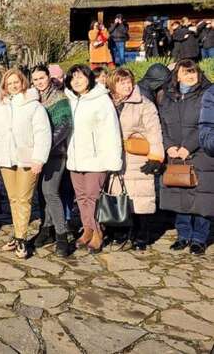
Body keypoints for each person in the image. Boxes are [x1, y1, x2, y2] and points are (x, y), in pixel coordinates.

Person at [0, 69, 51, 258]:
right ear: (4, 86)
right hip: (5, 158)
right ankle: (17, 234)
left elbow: (42, 133)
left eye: (16, 82)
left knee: (24, 199)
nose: (13, 86)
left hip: (27, 159)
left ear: (23, 83)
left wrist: (39, 158)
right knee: (13, 199)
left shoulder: (34, 106)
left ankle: (22, 239)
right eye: (9, 83)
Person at [64, 65, 122, 254]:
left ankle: (98, 231)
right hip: (75, 158)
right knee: (81, 197)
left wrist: (114, 160)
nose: (77, 81)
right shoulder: (70, 101)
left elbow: (112, 131)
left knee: (93, 196)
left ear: (89, 78)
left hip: (96, 158)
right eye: (73, 78)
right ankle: (87, 228)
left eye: (80, 77)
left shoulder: (101, 100)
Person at [107, 68, 164, 250]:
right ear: (113, 84)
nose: (126, 85)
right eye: (121, 82)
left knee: (140, 198)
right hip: (115, 156)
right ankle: (121, 231)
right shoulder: (107, 102)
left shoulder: (144, 104)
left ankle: (141, 235)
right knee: (119, 195)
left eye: (128, 81)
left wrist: (156, 156)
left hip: (136, 156)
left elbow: (154, 131)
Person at [161, 59, 212, 255]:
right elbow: (162, 125)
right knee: (179, 196)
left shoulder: (206, 96)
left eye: (194, 72)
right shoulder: (168, 97)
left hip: (200, 154)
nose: (190, 76)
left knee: (201, 199)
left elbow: (206, 124)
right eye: (186, 72)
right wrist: (169, 146)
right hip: (175, 154)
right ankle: (183, 235)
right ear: (177, 75)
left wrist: (188, 147)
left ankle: (199, 238)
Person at [30, 64, 73, 257]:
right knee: (41, 193)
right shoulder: (33, 99)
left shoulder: (59, 98)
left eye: (42, 78)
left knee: (51, 192)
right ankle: (46, 228)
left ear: (49, 77)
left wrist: (44, 148)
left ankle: (62, 235)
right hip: (36, 156)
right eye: (35, 79)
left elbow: (64, 126)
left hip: (55, 153)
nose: (39, 82)